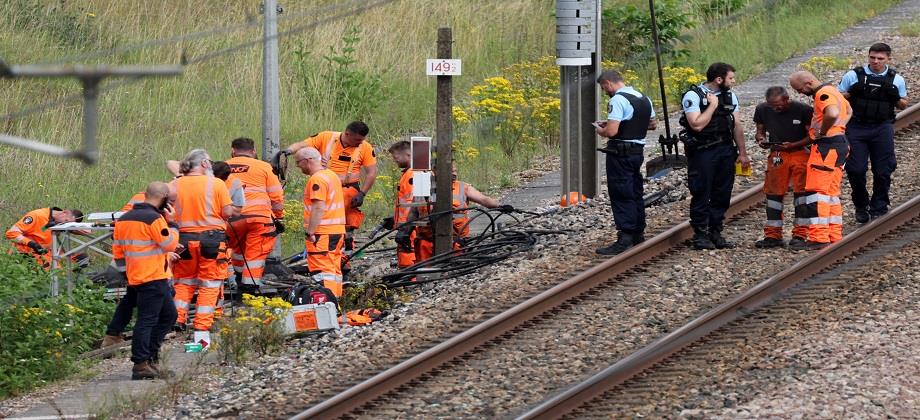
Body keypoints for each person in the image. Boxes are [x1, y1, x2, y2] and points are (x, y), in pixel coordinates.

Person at [285, 121, 377, 273]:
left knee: (347, 228)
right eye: (357, 140)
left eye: (362, 140)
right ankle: (324, 256)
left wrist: (363, 193)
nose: (360, 143)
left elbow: (371, 172)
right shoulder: (326, 137)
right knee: (323, 224)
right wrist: (286, 152)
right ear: (347, 134)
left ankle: (344, 261)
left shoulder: (365, 147)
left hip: (349, 191)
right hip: (327, 187)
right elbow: (302, 145)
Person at [111, 182, 180, 380]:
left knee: (169, 315)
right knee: (148, 320)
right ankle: (141, 364)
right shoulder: (154, 219)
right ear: (164, 197)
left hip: (138, 276)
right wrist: (173, 224)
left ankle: (148, 357)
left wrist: (127, 274)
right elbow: (169, 244)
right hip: (153, 276)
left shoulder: (124, 219)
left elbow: (117, 252)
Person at [678, 62, 751, 250]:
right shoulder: (693, 96)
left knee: (722, 192)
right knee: (702, 191)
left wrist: (742, 152)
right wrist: (712, 106)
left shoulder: (730, 96)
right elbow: (696, 125)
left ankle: (715, 231)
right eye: (731, 78)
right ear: (719, 79)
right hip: (703, 150)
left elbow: (737, 125)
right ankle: (700, 234)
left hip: (725, 149)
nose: (733, 81)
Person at [838, 43, 909, 223]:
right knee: (856, 169)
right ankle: (861, 206)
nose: (875, 62)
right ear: (868, 57)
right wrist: (851, 93)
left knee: (883, 169)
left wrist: (894, 97)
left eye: (880, 59)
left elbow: (903, 104)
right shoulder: (853, 75)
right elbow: (837, 99)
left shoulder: (896, 79)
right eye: (872, 58)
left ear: (888, 59)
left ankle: (879, 205)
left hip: (881, 127)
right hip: (856, 126)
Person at [171, 149, 237, 334]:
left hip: (183, 240)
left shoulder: (175, 184)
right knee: (210, 283)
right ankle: (202, 325)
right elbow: (227, 213)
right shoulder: (216, 183)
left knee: (183, 281)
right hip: (212, 241)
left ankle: (177, 318)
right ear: (204, 164)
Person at [594, 70, 657, 255]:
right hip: (637, 152)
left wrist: (600, 130)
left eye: (604, 87)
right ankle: (638, 232)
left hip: (620, 153)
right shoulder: (644, 98)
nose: (605, 91)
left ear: (608, 83)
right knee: (635, 191)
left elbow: (612, 132)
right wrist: (618, 123)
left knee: (621, 192)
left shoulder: (618, 100)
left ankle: (625, 236)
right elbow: (651, 124)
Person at [789, 70, 852, 250]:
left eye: (799, 89)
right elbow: (848, 110)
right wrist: (839, 128)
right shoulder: (833, 91)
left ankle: (819, 237)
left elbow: (831, 113)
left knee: (817, 193)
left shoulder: (822, 94)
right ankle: (834, 234)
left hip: (826, 146)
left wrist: (823, 132)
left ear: (808, 83)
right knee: (831, 193)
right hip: (839, 143)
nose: (800, 93)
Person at [752, 86, 814, 248]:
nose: (775, 108)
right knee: (773, 194)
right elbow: (760, 131)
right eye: (771, 105)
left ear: (787, 99)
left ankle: (800, 235)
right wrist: (761, 139)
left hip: (800, 153)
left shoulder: (804, 110)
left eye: (778, 105)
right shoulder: (762, 109)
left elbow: (812, 136)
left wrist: (793, 144)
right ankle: (773, 235)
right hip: (778, 154)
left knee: (802, 194)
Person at [222, 138, 285, 291]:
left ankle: (236, 279)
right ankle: (250, 287)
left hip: (231, 218)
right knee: (255, 254)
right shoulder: (264, 167)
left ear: (233, 151)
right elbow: (276, 197)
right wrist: (278, 217)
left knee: (236, 250)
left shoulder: (222, 167)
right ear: (254, 151)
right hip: (259, 219)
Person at [410, 163, 503, 262]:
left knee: (454, 269)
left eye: (455, 171)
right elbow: (412, 212)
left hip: (456, 243)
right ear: (435, 172)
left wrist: (500, 206)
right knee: (426, 274)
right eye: (450, 171)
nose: (454, 174)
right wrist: (405, 231)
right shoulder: (422, 188)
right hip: (426, 244)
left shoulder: (462, 187)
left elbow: (484, 200)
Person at [295, 147, 347, 296]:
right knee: (333, 270)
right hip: (336, 231)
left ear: (307, 161)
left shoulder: (317, 179)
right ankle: (335, 302)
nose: (299, 167)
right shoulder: (331, 175)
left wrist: (310, 231)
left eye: (299, 163)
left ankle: (327, 304)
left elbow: (318, 207)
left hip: (322, 233)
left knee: (323, 271)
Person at [6, 207, 83, 268]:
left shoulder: (58, 222)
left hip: (43, 254)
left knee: (77, 260)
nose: (64, 224)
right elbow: (11, 233)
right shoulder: (37, 215)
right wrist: (31, 244)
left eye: (68, 224)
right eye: (66, 221)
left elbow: (88, 230)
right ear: (64, 212)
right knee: (55, 273)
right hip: (24, 253)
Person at [387, 140, 417, 268]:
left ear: (408, 155)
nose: (395, 161)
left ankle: (411, 279)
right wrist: (395, 219)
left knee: (409, 255)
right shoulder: (407, 174)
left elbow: (416, 203)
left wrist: (407, 227)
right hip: (407, 225)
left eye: (396, 157)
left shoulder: (413, 174)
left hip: (411, 226)